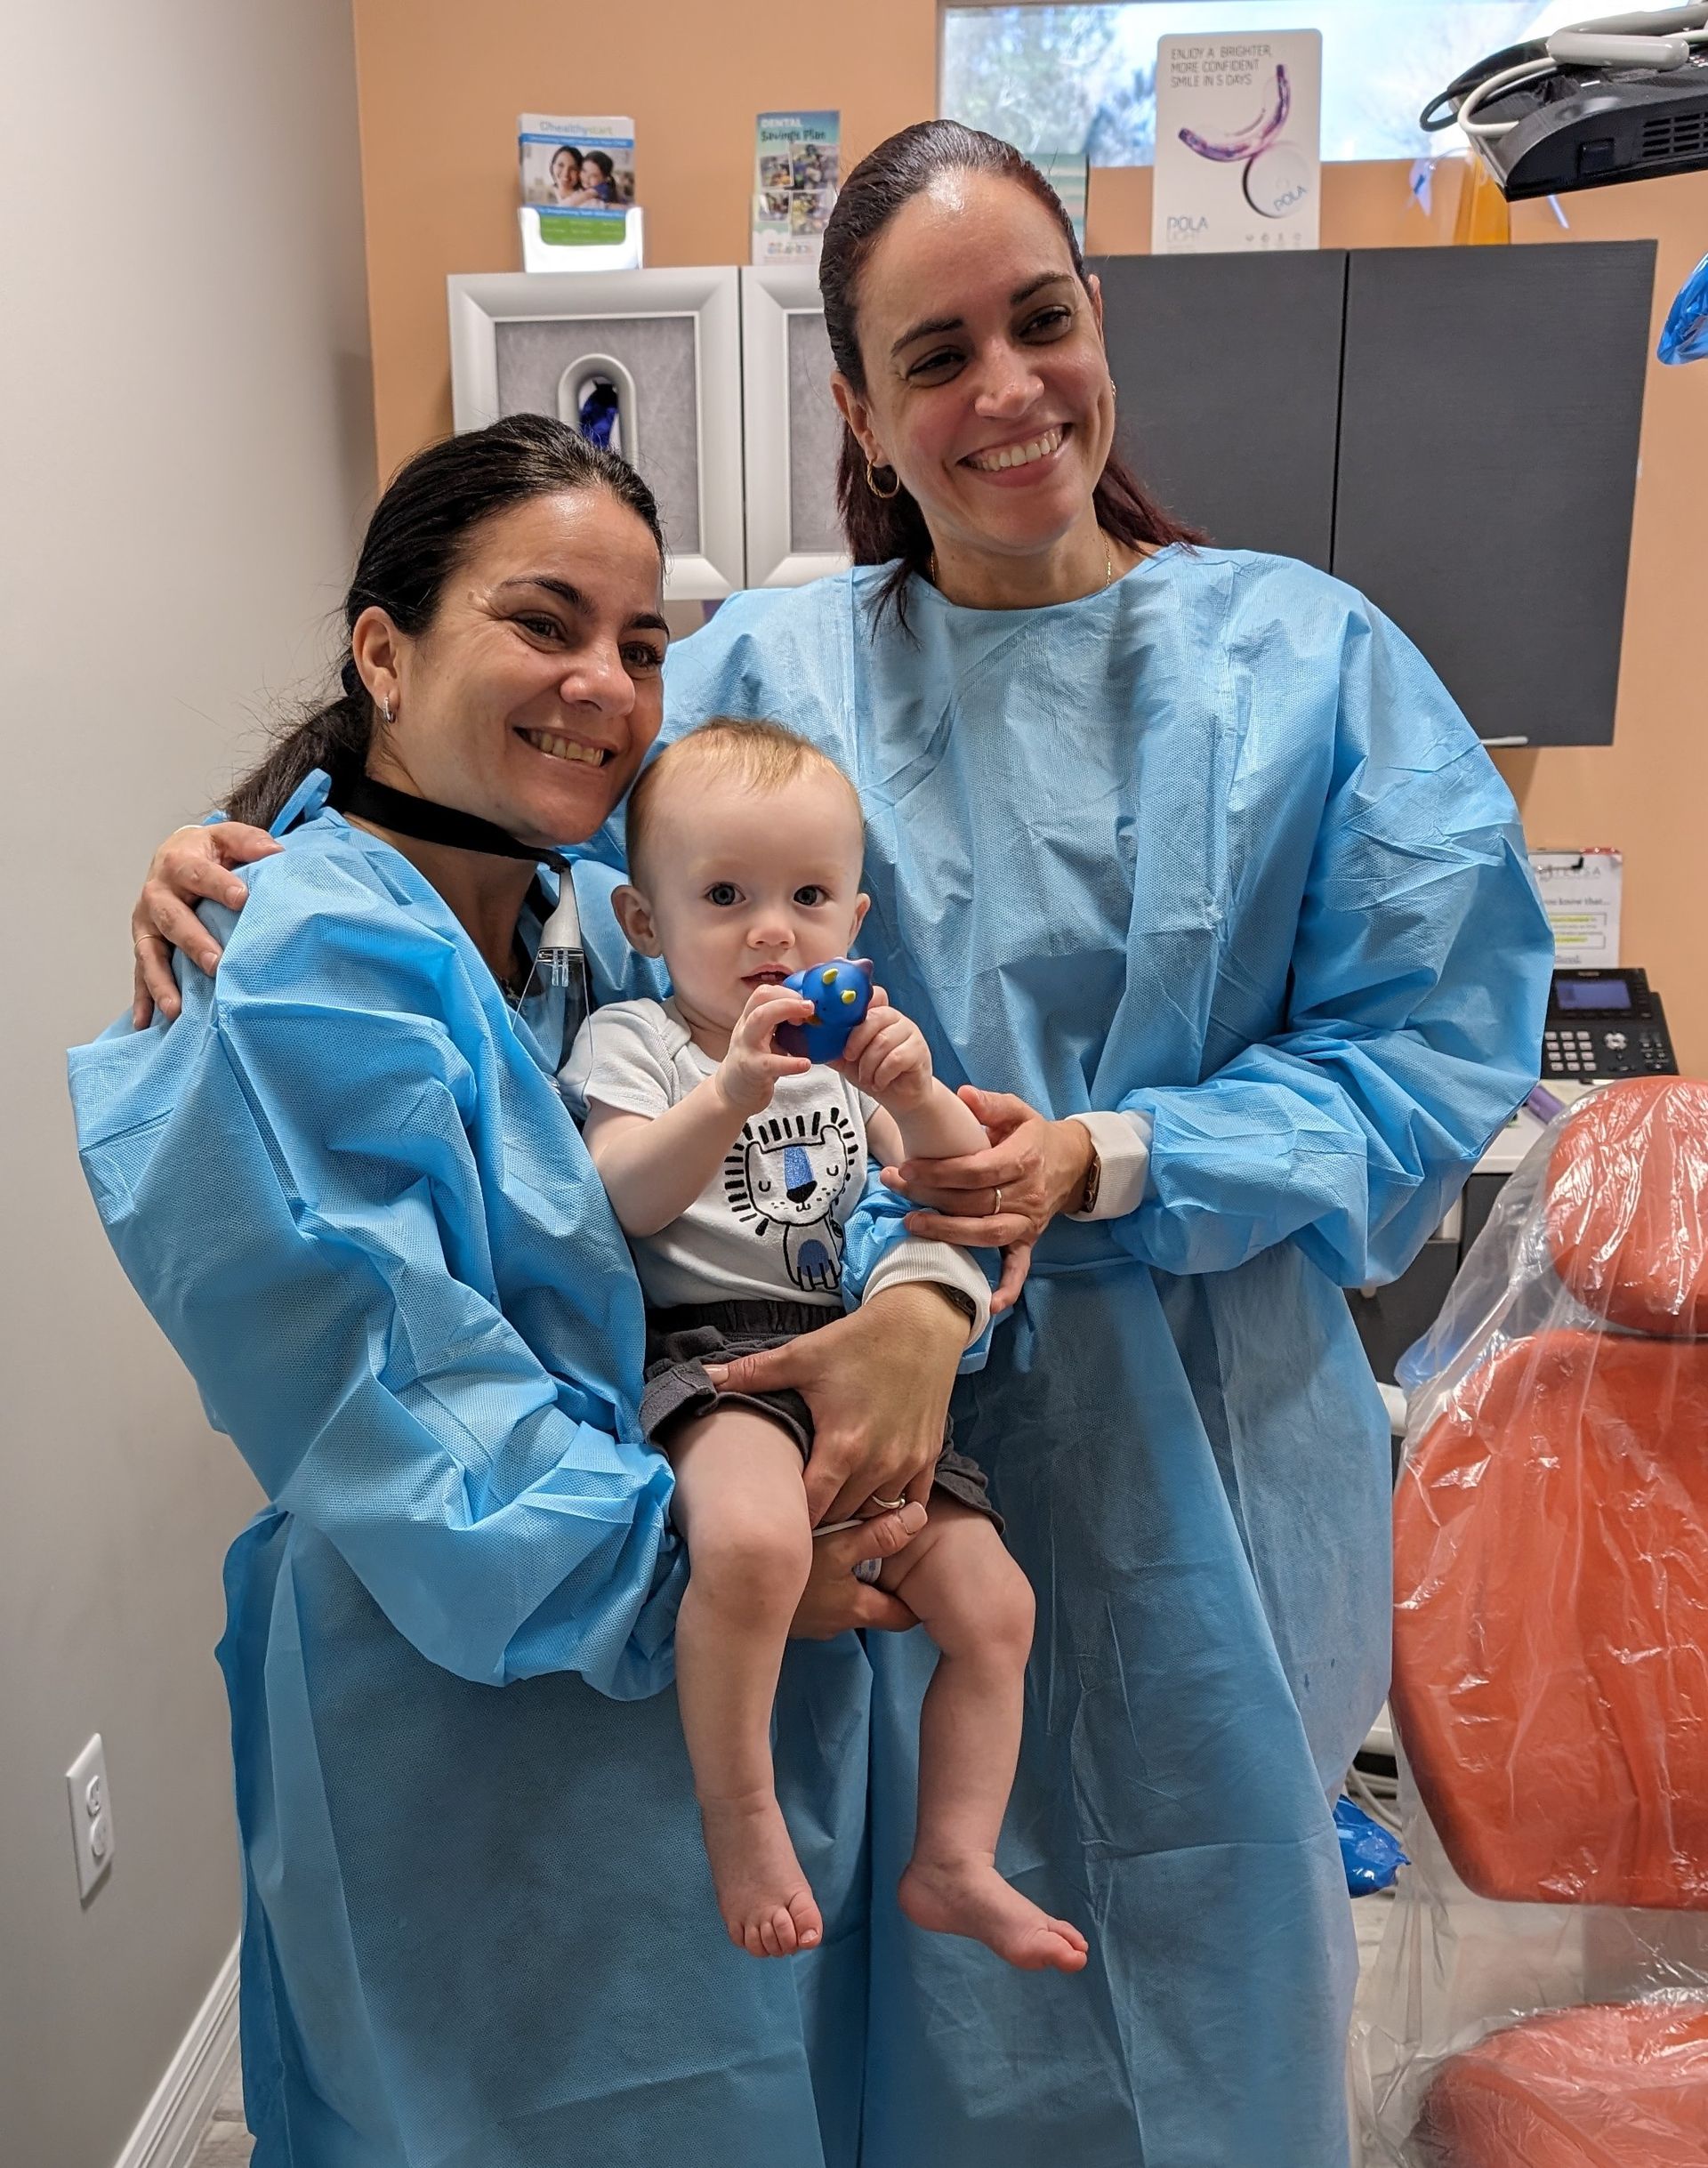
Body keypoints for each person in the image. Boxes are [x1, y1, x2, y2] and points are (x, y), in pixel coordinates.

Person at [124, 122, 1555, 2166]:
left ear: (1098, 328)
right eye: (935, 350)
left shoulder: (1308, 664)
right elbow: (544, 873)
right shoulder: (771, 670)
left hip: (1188, 1495)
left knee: (1189, 1997)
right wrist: (256, 835)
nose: (1007, 390)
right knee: (858, 2026)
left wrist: (1097, 1164)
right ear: (860, 409)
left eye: (1042, 321)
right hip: (804, 1480)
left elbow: (1426, 1053)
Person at [74, 414, 995, 2167]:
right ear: (382, 649)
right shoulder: (301, 959)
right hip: (468, 1711)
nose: (603, 683)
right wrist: (731, 1574)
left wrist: (918, 1304)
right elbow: (403, 1409)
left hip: (695, 1697)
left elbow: (852, 1168)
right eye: (544, 622)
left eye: (641, 644)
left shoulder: (599, 926)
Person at [567, 717, 1085, 1971]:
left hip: (857, 1347)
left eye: (807, 896)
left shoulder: (857, 1063)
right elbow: (621, 1192)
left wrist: (912, 1092)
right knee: (750, 1541)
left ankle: (954, 1857)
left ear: (856, 919)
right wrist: (728, 1094)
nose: (770, 931)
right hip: (715, 1360)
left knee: (996, 1605)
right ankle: (739, 1812)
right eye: (725, 896)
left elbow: (966, 1196)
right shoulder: (638, 1042)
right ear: (644, 922)